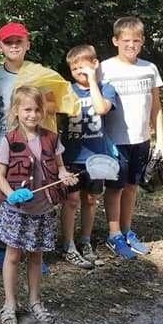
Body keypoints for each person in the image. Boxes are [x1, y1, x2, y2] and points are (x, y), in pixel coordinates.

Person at [0, 86, 77, 324]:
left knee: (36, 257)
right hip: (18, 211)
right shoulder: (9, 140)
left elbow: (60, 168)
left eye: (37, 109)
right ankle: (10, 302)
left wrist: (65, 176)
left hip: (43, 210)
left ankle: (35, 301)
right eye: (27, 109)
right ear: (16, 111)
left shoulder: (51, 138)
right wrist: (11, 194)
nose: (32, 114)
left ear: (43, 112)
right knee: (13, 256)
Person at [0, 22, 51, 273]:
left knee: (33, 196)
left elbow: (50, 112)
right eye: (8, 42)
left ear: (27, 44)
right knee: (0, 198)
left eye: (18, 42)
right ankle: (1, 247)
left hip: (32, 148)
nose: (14, 46)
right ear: (0, 46)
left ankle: (33, 250)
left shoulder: (39, 74)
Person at [100, 17, 163, 260]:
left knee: (131, 187)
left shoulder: (149, 69)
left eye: (136, 40)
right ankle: (114, 233)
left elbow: (156, 107)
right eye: (126, 40)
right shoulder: (104, 68)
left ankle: (127, 230)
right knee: (115, 188)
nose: (131, 45)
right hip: (113, 140)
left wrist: (160, 140)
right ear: (115, 41)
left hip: (141, 138)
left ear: (143, 42)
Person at [58, 45, 118, 269]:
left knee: (91, 199)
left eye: (83, 66)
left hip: (96, 157)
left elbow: (101, 108)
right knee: (71, 200)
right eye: (74, 68)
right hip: (71, 155)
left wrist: (93, 80)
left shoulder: (106, 88)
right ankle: (68, 244)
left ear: (95, 64)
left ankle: (85, 240)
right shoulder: (66, 90)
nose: (79, 72)